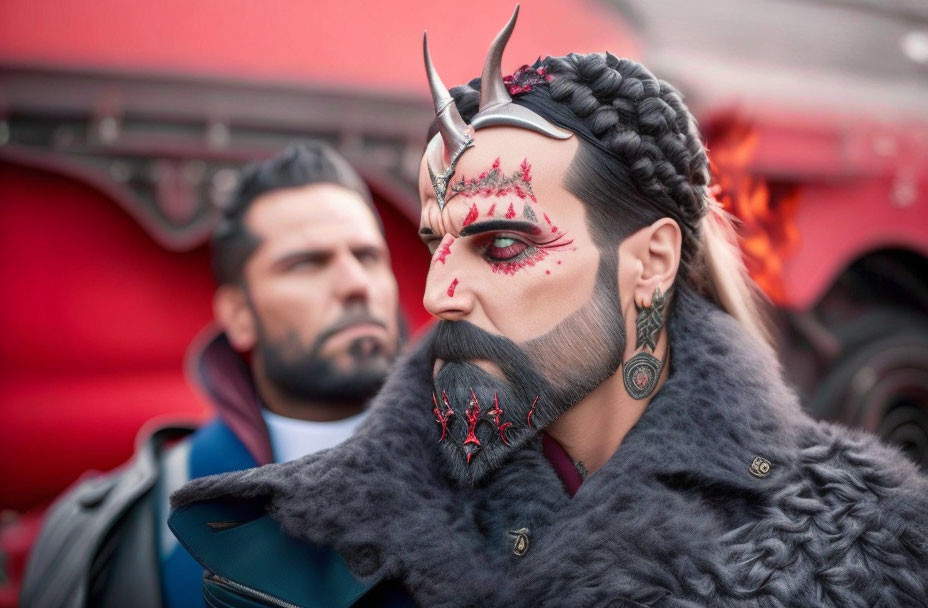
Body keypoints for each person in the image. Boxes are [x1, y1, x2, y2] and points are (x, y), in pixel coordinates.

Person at [169, 9, 928, 608]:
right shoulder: (322, 542)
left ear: (650, 261)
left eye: (501, 245)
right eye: (438, 242)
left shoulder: (873, 540)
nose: (438, 293)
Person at [20, 142, 404, 608]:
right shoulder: (113, 533)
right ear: (238, 314)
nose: (355, 284)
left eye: (368, 257)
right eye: (307, 263)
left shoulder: (501, 498)